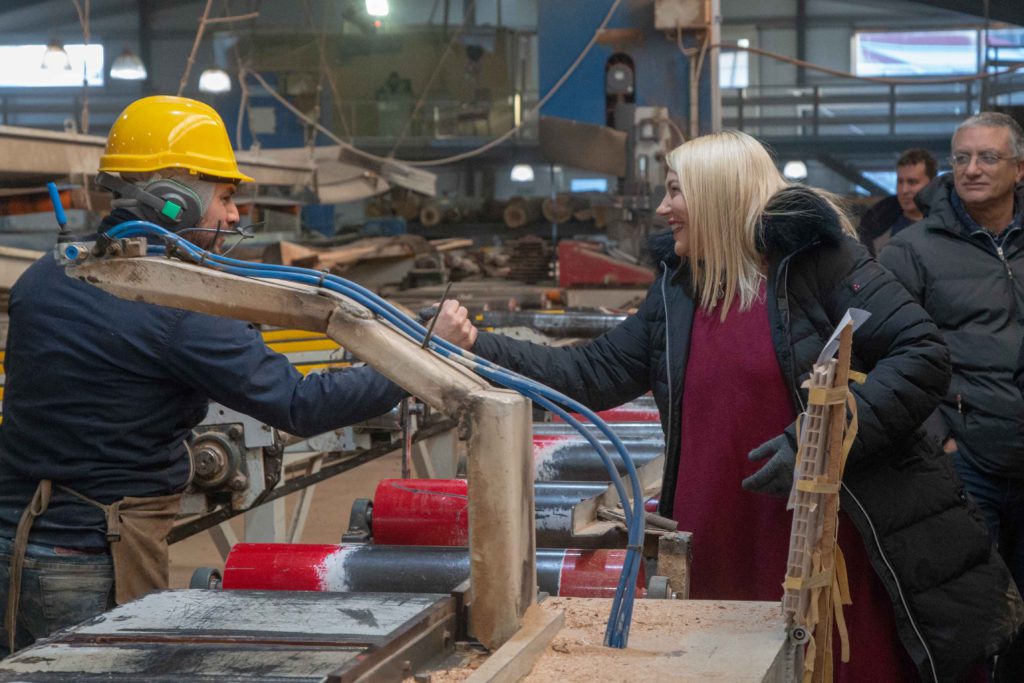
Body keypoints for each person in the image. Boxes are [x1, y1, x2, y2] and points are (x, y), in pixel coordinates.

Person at [435, 130, 1023, 681]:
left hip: (820, 537)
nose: (664, 210)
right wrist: (476, 345)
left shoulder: (821, 263)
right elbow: (591, 373)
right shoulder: (681, 287)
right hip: (715, 532)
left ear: (718, 194)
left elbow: (920, 354)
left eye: (675, 190)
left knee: (831, 663)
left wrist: (815, 442)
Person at [0, 96, 407, 655]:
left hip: (15, 546)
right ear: (174, 199)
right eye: (226, 196)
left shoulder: (43, 276)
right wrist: (409, 363)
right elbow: (300, 403)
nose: (236, 215)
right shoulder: (175, 301)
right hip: (93, 559)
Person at [880, 111, 1024, 681]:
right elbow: (880, 357)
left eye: (988, 157)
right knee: (974, 615)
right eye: (962, 157)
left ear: (1020, 168)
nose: (972, 168)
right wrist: (938, 437)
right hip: (965, 462)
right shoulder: (911, 251)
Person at [857, 148, 937, 255]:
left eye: (912, 182)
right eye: (900, 182)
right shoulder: (875, 222)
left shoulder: (946, 225)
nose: (904, 190)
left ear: (932, 184)